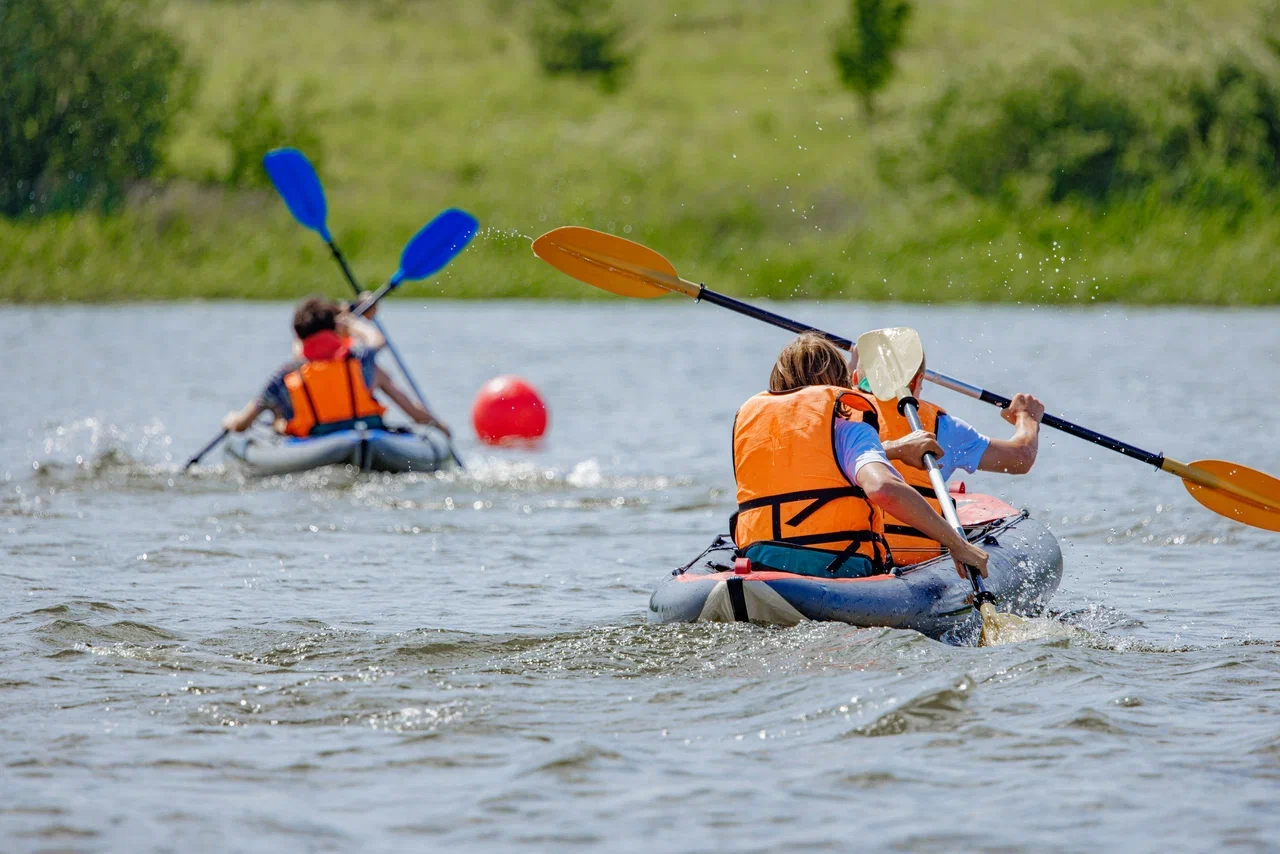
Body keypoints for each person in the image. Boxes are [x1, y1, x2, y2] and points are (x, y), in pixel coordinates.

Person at [732, 332, 988, 580]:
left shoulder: (754, 433)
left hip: (763, 560)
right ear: (841, 384)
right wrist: (957, 545)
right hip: (838, 564)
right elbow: (883, 488)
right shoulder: (850, 431)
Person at [851, 346, 1044, 562]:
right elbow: (1020, 458)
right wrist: (1026, 418)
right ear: (916, 381)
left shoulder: (836, 419)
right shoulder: (942, 428)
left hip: (847, 557)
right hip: (913, 561)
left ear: (855, 377)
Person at [222, 295, 451, 438]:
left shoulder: (284, 377)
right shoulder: (362, 363)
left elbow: (242, 424)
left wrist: (230, 420)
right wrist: (441, 428)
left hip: (314, 443)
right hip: (367, 433)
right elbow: (376, 341)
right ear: (338, 330)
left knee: (279, 420)